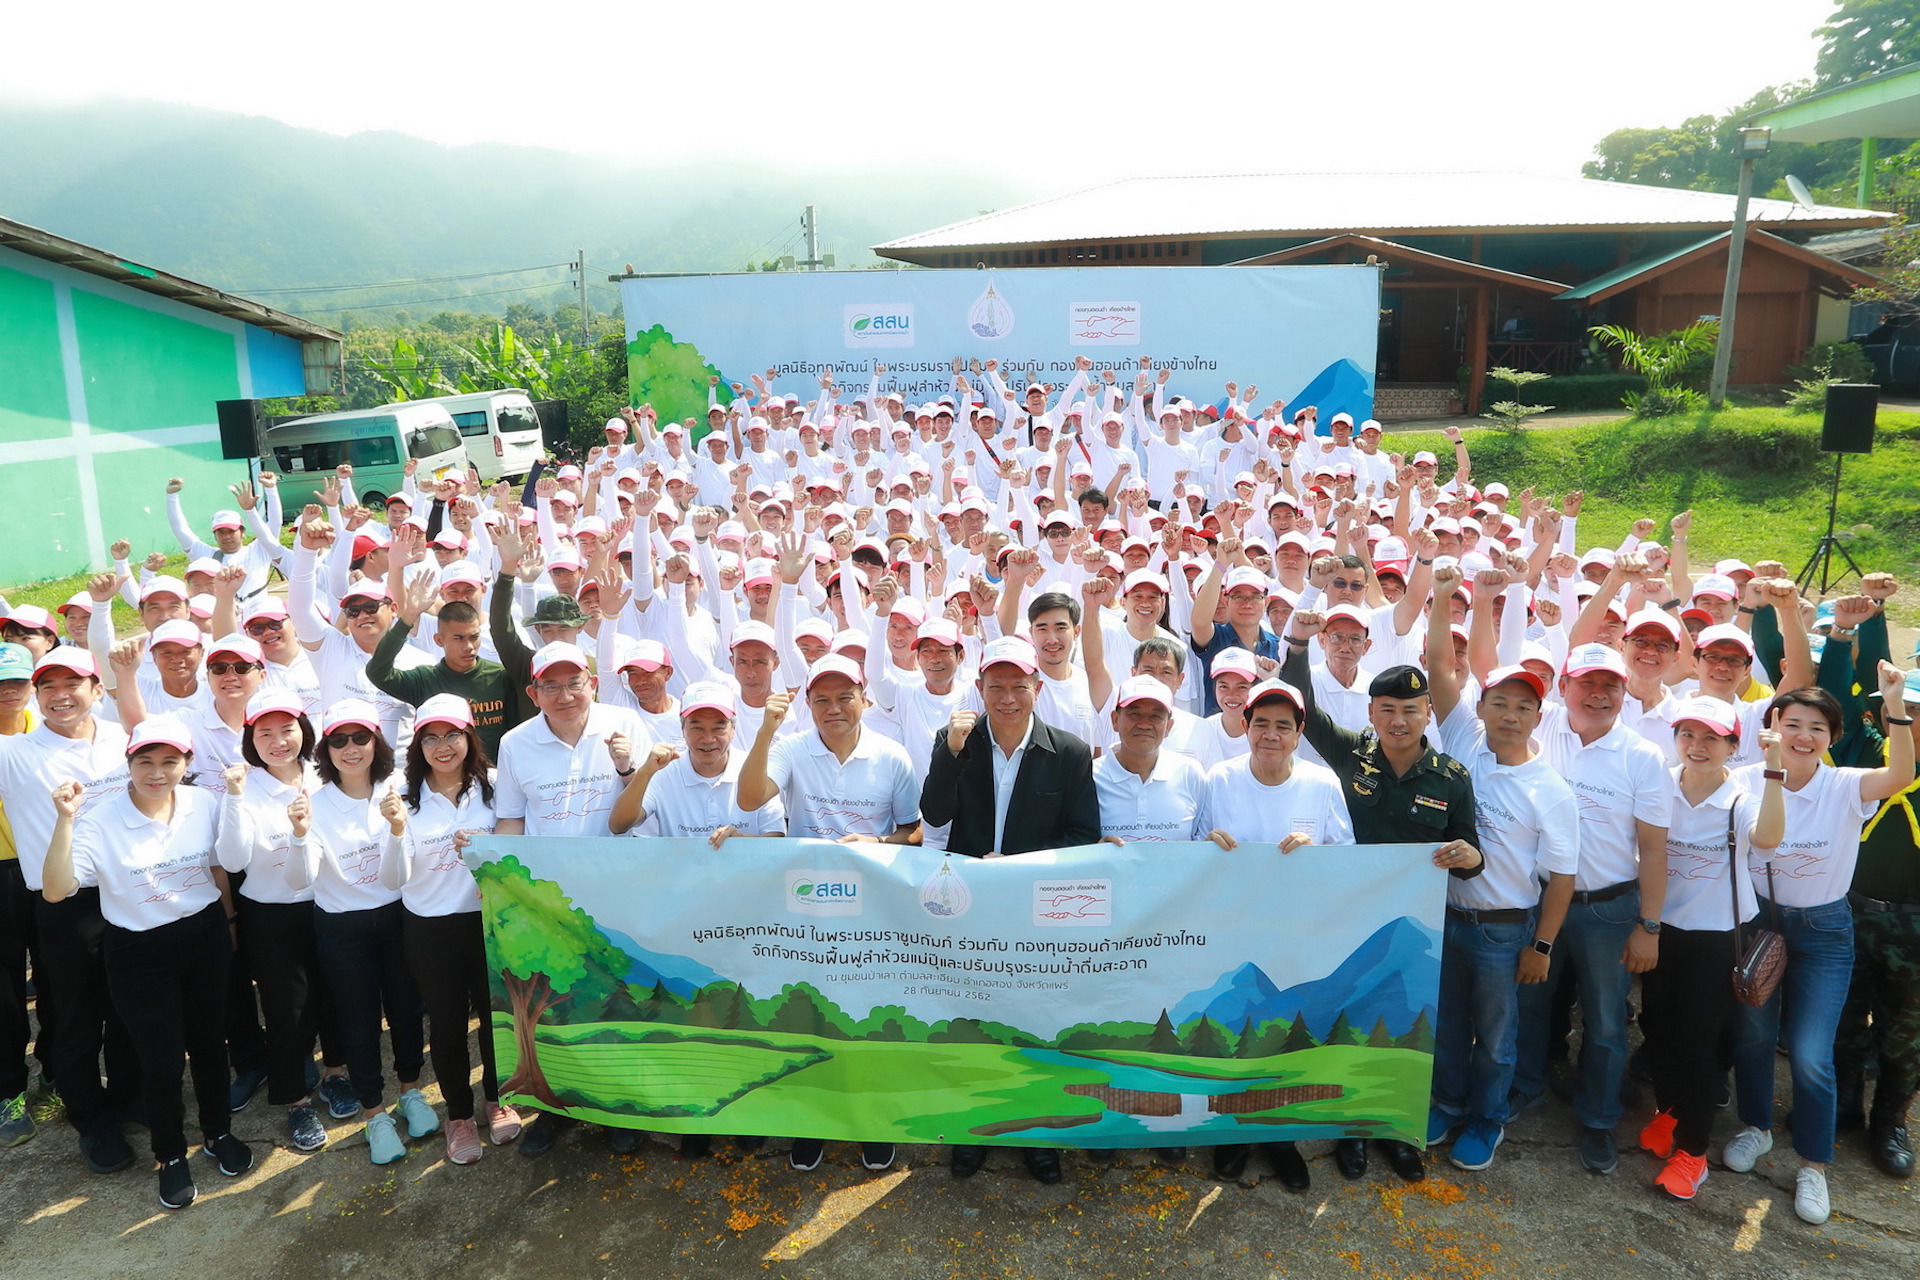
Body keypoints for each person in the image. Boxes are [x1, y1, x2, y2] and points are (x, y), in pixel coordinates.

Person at [1281, 613, 1485, 1185]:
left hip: (1418, 931)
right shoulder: (1351, 756)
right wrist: (1297, 644)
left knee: (1409, 1027)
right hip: (1352, 925)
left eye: (1411, 710)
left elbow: (1474, 856)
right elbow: (1305, 704)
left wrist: (1469, 858)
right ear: (1371, 713)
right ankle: (1351, 1129)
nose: (1399, 720)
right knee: (1352, 1021)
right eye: (1387, 710)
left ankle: (1396, 1129)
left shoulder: (1451, 776)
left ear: (1427, 715)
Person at [1724, 669, 1915, 1225]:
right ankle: (1756, 1127)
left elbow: (1901, 772)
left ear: (1831, 737)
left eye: (1816, 728)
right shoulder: (1744, 779)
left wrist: (1897, 706)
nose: (1803, 736)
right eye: (1791, 724)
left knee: (1810, 1052)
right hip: (1760, 922)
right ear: (1772, 727)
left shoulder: (1845, 785)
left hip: (1827, 928)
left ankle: (1813, 1163)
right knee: (1754, 1035)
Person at [43, 716, 253, 1210]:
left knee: (208, 1044)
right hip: (138, 952)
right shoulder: (99, 819)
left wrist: (238, 798)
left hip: (202, 936)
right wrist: (66, 819)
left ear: (186, 764)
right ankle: (171, 1154)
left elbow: (232, 860)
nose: (157, 772)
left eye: (169, 761)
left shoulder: (203, 802)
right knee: (159, 1058)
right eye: (146, 762)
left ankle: (218, 1132)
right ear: (129, 764)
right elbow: (55, 889)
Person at [920, 636, 1100, 1184]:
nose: (1006, 697)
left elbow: (1083, 836)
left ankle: (1038, 1136)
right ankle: (976, 1127)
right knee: (972, 1021)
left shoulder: (1067, 751)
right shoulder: (954, 740)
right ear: (978, 689)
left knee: (1035, 1023)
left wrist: (1018, 866)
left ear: (1037, 688)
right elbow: (933, 812)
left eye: (1018, 686)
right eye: (994, 686)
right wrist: (951, 752)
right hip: (970, 909)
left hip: (1034, 912)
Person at [1421, 564, 1581, 1174]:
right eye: (1499, 702)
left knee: (1495, 1037)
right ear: (1480, 705)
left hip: (1504, 927)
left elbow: (1561, 878)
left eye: (1523, 706)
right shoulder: (1462, 739)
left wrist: (1542, 944)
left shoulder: (1550, 789)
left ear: (1538, 716)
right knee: (1448, 1024)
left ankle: (1487, 1121)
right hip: (1448, 915)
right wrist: (1440, 597)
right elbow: (1438, 667)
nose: (1510, 714)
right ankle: (1448, 1102)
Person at [739, 655, 921, 1173]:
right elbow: (751, 797)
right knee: (808, 1014)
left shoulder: (891, 756)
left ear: (864, 699)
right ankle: (812, 1120)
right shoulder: (792, 749)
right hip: (806, 911)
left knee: (866, 1017)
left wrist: (878, 840)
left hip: (873, 914)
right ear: (809, 705)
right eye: (821, 700)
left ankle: (870, 1120)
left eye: (845, 698)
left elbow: (914, 831)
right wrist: (765, 732)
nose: (834, 709)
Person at [1508, 642, 1672, 1177]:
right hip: (1539, 899)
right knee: (1532, 1002)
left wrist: (1649, 925)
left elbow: (1653, 848)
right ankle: (1528, 1086)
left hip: (1607, 909)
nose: (1599, 695)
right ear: (1562, 689)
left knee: (1604, 1021)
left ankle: (1599, 1118)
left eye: (1611, 686)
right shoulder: (1542, 731)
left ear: (1626, 693)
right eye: (1586, 683)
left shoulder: (1643, 756)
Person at [491, 640, 650, 1159]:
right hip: (547, 903)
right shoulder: (515, 743)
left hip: (617, 891)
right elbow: (512, 820)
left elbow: (651, 808)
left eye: (574, 682)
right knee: (553, 1010)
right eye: (551, 686)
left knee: (613, 1003)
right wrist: (504, 889)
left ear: (592, 683)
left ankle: (618, 1109)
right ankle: (557, 1111)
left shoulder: (625, 725)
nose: (565, 695)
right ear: (533, 693)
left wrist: (628, 770)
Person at [1198, 676, 1355, 1188]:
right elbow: (1190, 852)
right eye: (1260, 722)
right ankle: (1231, 1134)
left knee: (1285, 1034)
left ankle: (1280, 1137)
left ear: (1299, 731)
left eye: (1282, 726)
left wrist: (1317, 852)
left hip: (1296, 935)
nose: (1270, 734)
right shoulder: (1217, 779)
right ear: (1245, 726)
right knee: (1235, 1031)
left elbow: (1347, 857)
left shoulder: (1322, 782)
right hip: (1232, 932)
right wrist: (1209, 844)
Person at [1636, 698, 1784, 1202]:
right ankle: (1670, 1112)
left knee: (1698, 1047)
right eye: (1687, 735)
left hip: (1717, 938)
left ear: (1732, 746)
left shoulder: (1740, 798)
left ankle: (1693, 1152)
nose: (1697, 747)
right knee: (1655, 1028)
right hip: (1661, 930)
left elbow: (1766, 841)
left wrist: (1774, 771)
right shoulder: (1658, 784)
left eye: (1712, 739)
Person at [0, 647, 139, 1175]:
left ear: (96, 690)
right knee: (79, 1019)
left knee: (128, 1006)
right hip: (65, 906)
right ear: (36, 697)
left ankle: (128, 1096)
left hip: (127, 893)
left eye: (73, 684)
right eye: (48, 687)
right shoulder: (15, 754)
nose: (61, 696)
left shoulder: (119, 739)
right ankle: (92, 1120)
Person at [286, 700, 433, 1166]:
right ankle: (375, 1113)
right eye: (339, 740)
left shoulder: (399, 791)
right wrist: (299, 834)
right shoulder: (314, 802)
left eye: (361, 737)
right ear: (326, 749)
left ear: (377, 742)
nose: (351, 748)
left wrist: (395, 830)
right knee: (359, 1020)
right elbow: (299, 880)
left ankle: (411, 1091)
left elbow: (397, 879)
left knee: (407, 1012)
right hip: (342, 927)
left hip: (397, 916)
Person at [386, 695, 521, 1165]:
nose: (443, 747)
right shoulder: (401, 797)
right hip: (430, 925)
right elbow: (394, 876)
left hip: (488, 923)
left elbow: (518, 835)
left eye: (452, 735)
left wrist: (491, 846)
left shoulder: (496, 785)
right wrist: (398, 831)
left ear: (469, 737)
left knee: (494, 1017)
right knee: (445, 1026)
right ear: (418, 744)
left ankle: (496, 1098)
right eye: (431, 738)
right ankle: (459, 1116)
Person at [215, 688, 344, 1152]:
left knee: (332, 995)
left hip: (329, 903)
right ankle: (293, 1101)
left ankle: (335, 1074)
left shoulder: (327, 773)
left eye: (286, 729)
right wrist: (232, 796)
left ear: (303, 731)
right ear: (250, 739)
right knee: (287, 1010)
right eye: (264, 732)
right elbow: (231, 858)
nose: (278, 741)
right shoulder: (244, 788)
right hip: (270, 913)